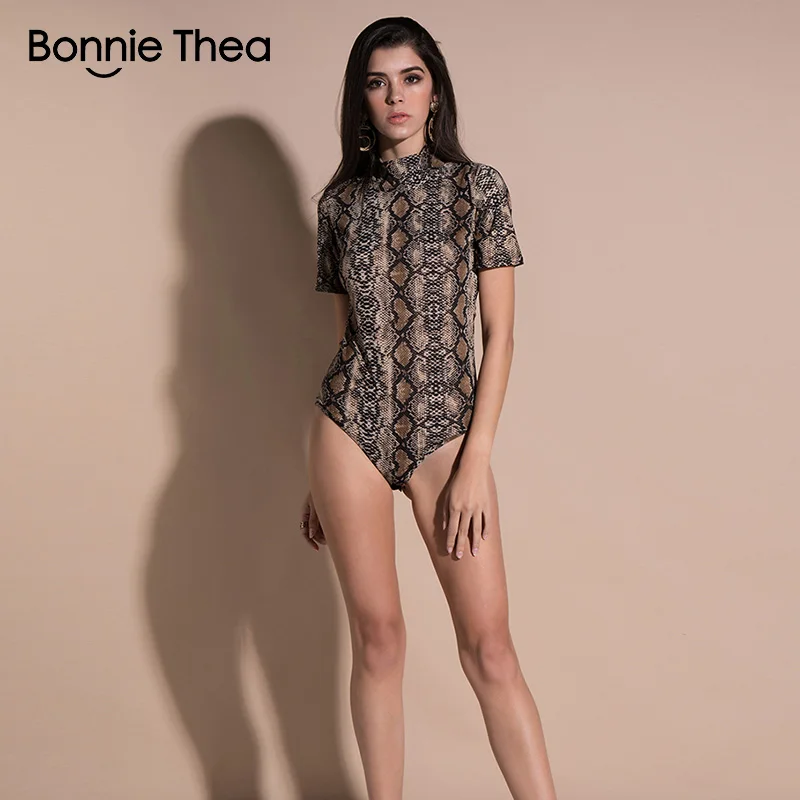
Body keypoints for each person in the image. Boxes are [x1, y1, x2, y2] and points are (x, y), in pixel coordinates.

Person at [300, 16, 558, 800]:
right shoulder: (339, 204)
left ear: (435, 91)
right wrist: (316, 480)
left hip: (447, 429)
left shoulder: (479, 189)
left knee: (490, 651)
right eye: (377, 82)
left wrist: (476, 462)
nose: (395, 96)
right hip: (347, 425)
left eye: (410, 78)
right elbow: (347, 336)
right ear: (361, 99)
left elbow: (501, 335)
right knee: (378, 641)